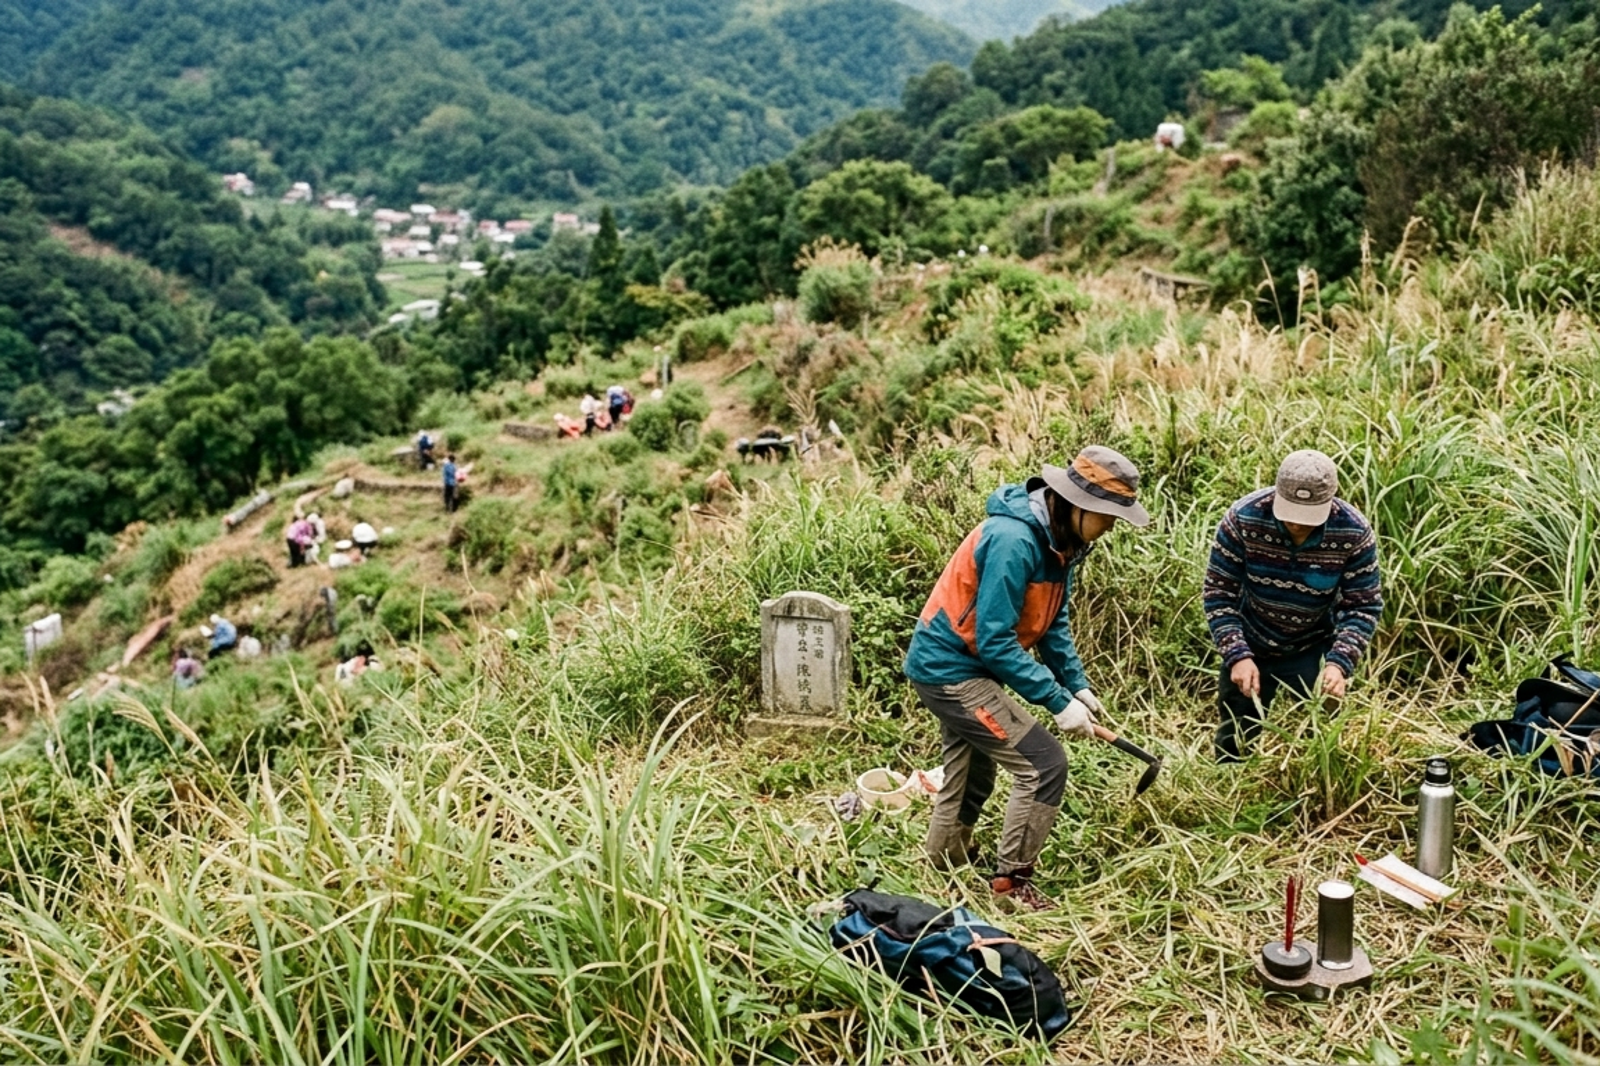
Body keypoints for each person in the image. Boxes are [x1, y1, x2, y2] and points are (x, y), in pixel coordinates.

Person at [903, 446, 1151, 912]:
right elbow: (995, 641)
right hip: (950, 669)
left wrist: (1075, 684)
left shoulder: (1062, 542)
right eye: (1108, 516)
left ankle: (943, 861)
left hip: (970, 666)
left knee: (972, 773)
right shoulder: (1014, 540)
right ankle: (1011, 886)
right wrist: (1057, 702)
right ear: (1078, 504)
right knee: (1043, 764)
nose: (1111, 527)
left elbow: (1052, 621)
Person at [1204, 449, 1384, 763]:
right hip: (1252, 640)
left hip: (1314, 646)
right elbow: (1219, 593)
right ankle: (1228, 776)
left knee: (1321, 737)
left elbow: (1363, 606)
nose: (1297, 525)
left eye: (1308, 516)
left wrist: (1338, 663)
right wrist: (1237, 654)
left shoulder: (1353, 532)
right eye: (1290, 512)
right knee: (1235, 735)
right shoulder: (1243, 518)